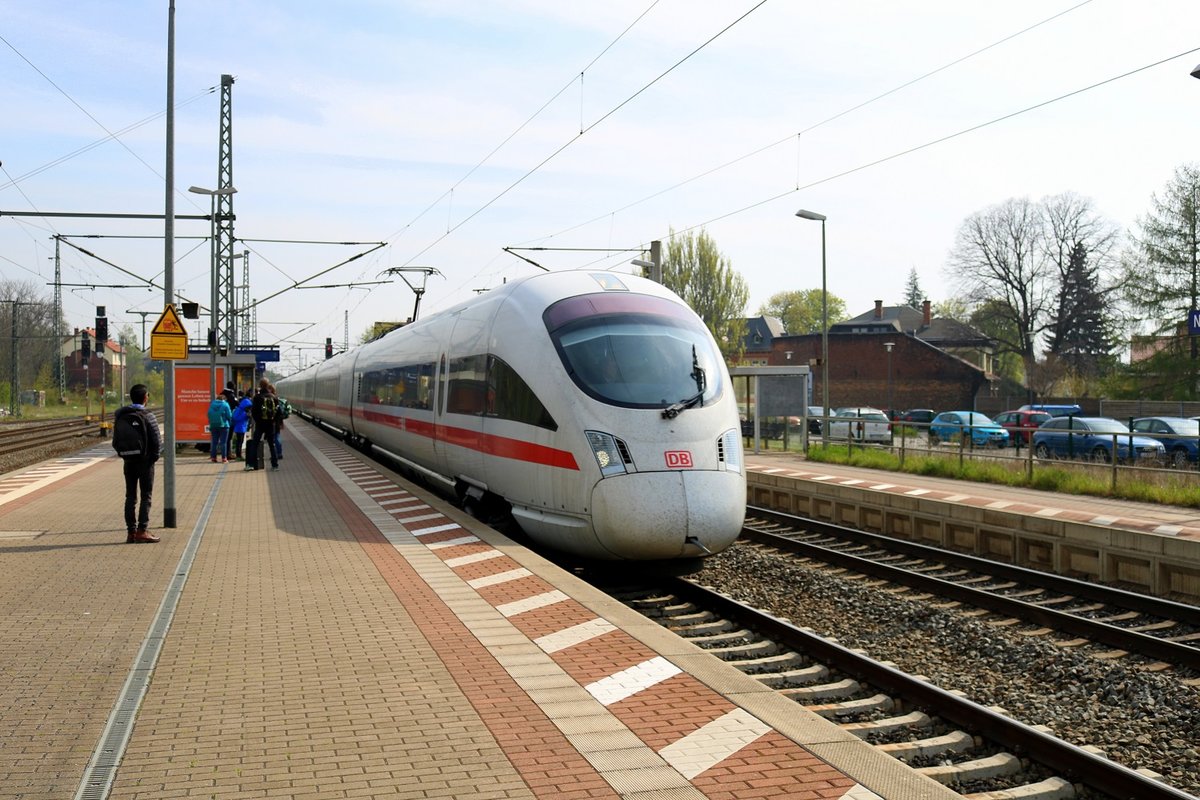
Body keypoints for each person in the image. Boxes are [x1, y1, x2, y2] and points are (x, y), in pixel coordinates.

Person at [114, 383, 161, 543]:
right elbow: (156, 441)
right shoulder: (148, 416)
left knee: (130, 496)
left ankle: (131, 533)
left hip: (128, 460)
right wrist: (152, 458)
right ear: (145, 397)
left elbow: (116, 441)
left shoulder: (121, 416)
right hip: (145, 462)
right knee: (146, 496)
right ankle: (142, 530)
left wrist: (126, 455)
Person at [250, 378, 280, 471]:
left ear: (260, 385)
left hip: (260, 424)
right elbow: (278, 412)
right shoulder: (274, 397)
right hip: (270, 424)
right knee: (272, 445)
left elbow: (253, 412)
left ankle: (252, 464)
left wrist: (258, 421)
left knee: (255, 444)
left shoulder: (257, 397)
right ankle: (275, 465)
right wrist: (273, 421)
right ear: (268, 385)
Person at [207, 393, 232, 463]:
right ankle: (224, 458)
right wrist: (229, 422)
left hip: (213, 425)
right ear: (224, 399)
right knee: (223, 442)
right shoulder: (225, 404)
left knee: (214, 442)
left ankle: (213, 458)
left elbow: (208, 414)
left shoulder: (212, 404)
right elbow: (229, 415)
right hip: (224, 425)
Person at [231, 391, 252, 460]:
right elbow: (235, 417)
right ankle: (238, 455)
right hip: (239, 428)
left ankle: (239, 455)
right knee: (239, 442)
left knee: (241, 441)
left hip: (242, 427)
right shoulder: (240, 410)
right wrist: (245, 416)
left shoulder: (243, 410)